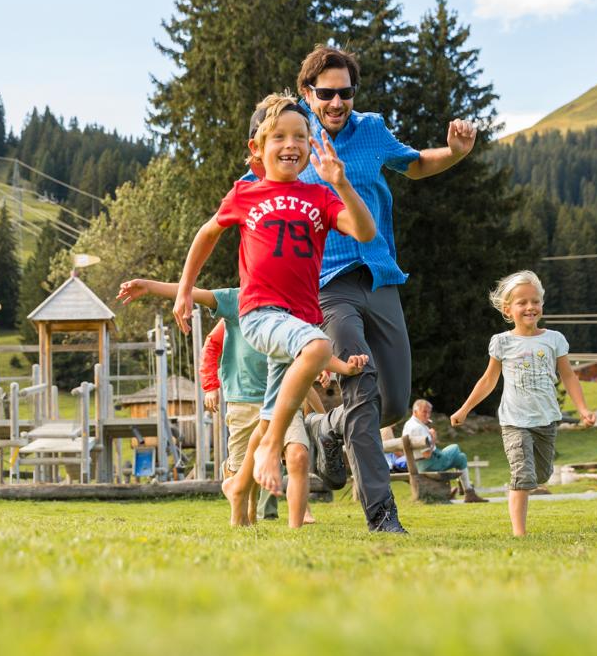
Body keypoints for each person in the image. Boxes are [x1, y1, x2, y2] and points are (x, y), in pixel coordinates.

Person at [258, 45, 478, 533]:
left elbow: (416, 164)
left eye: (346, 93)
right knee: (361, 388)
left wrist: (456, 154)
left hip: (379, 274)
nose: (337, 103)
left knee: (394, 401)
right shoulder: (296, 137)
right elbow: (264, 184)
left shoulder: (372, 130)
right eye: (326, 94)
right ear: (306, 93)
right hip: (327, 284)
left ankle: (328, 429)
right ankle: (382, 513)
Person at [171, 92, 376, 503]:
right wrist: (183, 290)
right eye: (279, 137)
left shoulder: (321, 197)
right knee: (318, 347)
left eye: (300, 136)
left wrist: (341, 182)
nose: (291, 145)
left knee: (270, 415)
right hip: (262, 313)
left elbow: (365, 231)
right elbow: (207, 234)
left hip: (300, 319)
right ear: (257, 149)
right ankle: (267, 449)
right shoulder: (246, 194)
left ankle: (238, 487)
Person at [117, 280, 316, 528]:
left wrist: (323, 365)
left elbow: (309, 343)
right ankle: (244, 502)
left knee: (297, 455)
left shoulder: (294, 302)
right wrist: (149, 286)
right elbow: (199, 303)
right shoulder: (237, 301)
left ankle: (299, 523)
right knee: (244, 466)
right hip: (243, 399)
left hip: (281, 398)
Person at [450, 271, 596, 537]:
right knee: (522, 475)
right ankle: (520, 533)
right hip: (514, 421)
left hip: (546, 419)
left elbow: (569, 376)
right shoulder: (502, 342)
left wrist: (584, 409)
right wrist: (464, 409)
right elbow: (488, 380)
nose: (530, 307)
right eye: (522, 302)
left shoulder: (554, 339)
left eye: (535, 301)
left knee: (541, 474)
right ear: (508, 309)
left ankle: (530, 487)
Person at [401, 399, 486, 502]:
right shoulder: (418, 428)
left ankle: (468, 492)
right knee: (455, 447)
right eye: (424, 412)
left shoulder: (409, 424)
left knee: (461, 457)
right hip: (430, 463)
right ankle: (466, 490)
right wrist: (433, 438)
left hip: (419, 464)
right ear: (415, 412)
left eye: (429, 412)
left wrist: (426, 427)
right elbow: (427, 454)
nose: (427, 415)